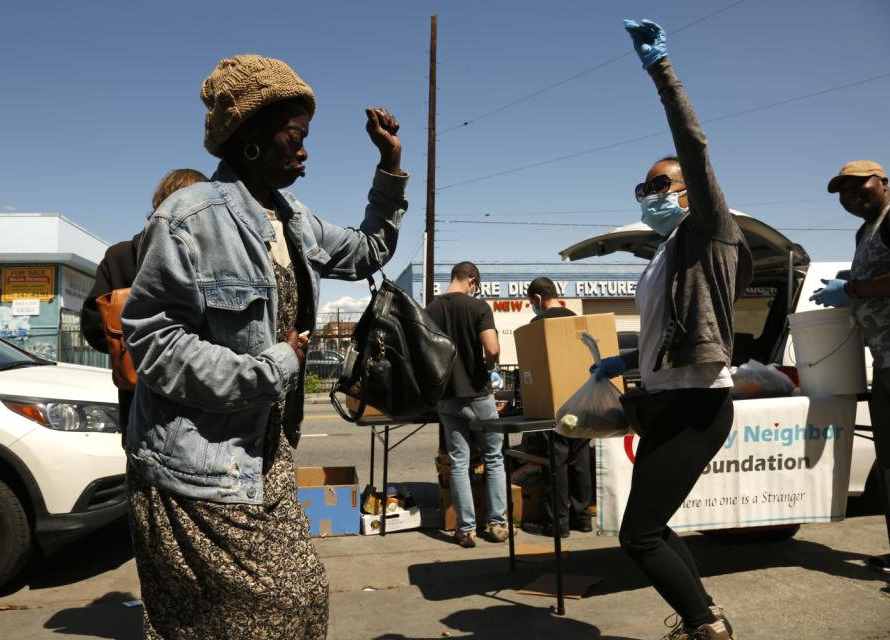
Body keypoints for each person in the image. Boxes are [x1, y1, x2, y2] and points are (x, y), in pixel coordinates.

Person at [121, 55, 408, 639]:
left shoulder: (290, 218)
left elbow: (368, 249)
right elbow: (153, 340)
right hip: (196, 466)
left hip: (265, 455)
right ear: (250, 136)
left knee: (290, 610)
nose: (304, 151)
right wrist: (274, 366)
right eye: (294, 136)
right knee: (274, 610)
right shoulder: (188, 219)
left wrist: (390, 164)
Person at [591, 21, 753, 640]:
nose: (651, 193)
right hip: (662, 399)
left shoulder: (711, 232)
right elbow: (668, 334)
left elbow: (694, 144)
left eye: (662, 184)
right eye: (645, 187)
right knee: (654, 525)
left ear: (690, 192)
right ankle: (703, 619)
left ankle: (706, 626)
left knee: (639, 535)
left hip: (696, 403)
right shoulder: (662, 256)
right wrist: (625, 360)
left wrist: (660, 71)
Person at [810, 160, 890, 575]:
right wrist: (852, 282)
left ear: (882, 182)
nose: (850, 196)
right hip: (885, 361)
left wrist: (852, 288)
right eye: (842, 192)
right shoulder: (865, 230)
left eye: (857, 186)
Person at [80, 168, 207, 439]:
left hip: (140, 412)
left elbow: (93, 327)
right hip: (203, 412)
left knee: (144, 476)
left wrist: (133, 349)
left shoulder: (120, 256)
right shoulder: (212, 259)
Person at [425, 261, 507, 548]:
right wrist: (487, 367)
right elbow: (493, 349)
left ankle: (466, 530)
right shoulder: (478, 308)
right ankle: (497, 525)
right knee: (493, 457)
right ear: (471, 280)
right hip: (479, 394)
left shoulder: (430, 310)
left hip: (447, 397)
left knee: (459, 462)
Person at [520, 277, 593, 537]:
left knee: (556, 462)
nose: (532, 306)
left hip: (554, 404)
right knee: (580, 459)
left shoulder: (538, 324)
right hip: (581, 401)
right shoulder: (575, 319)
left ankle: (558, 523)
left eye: (531, 302)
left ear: (538, 298)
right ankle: (583, 518)